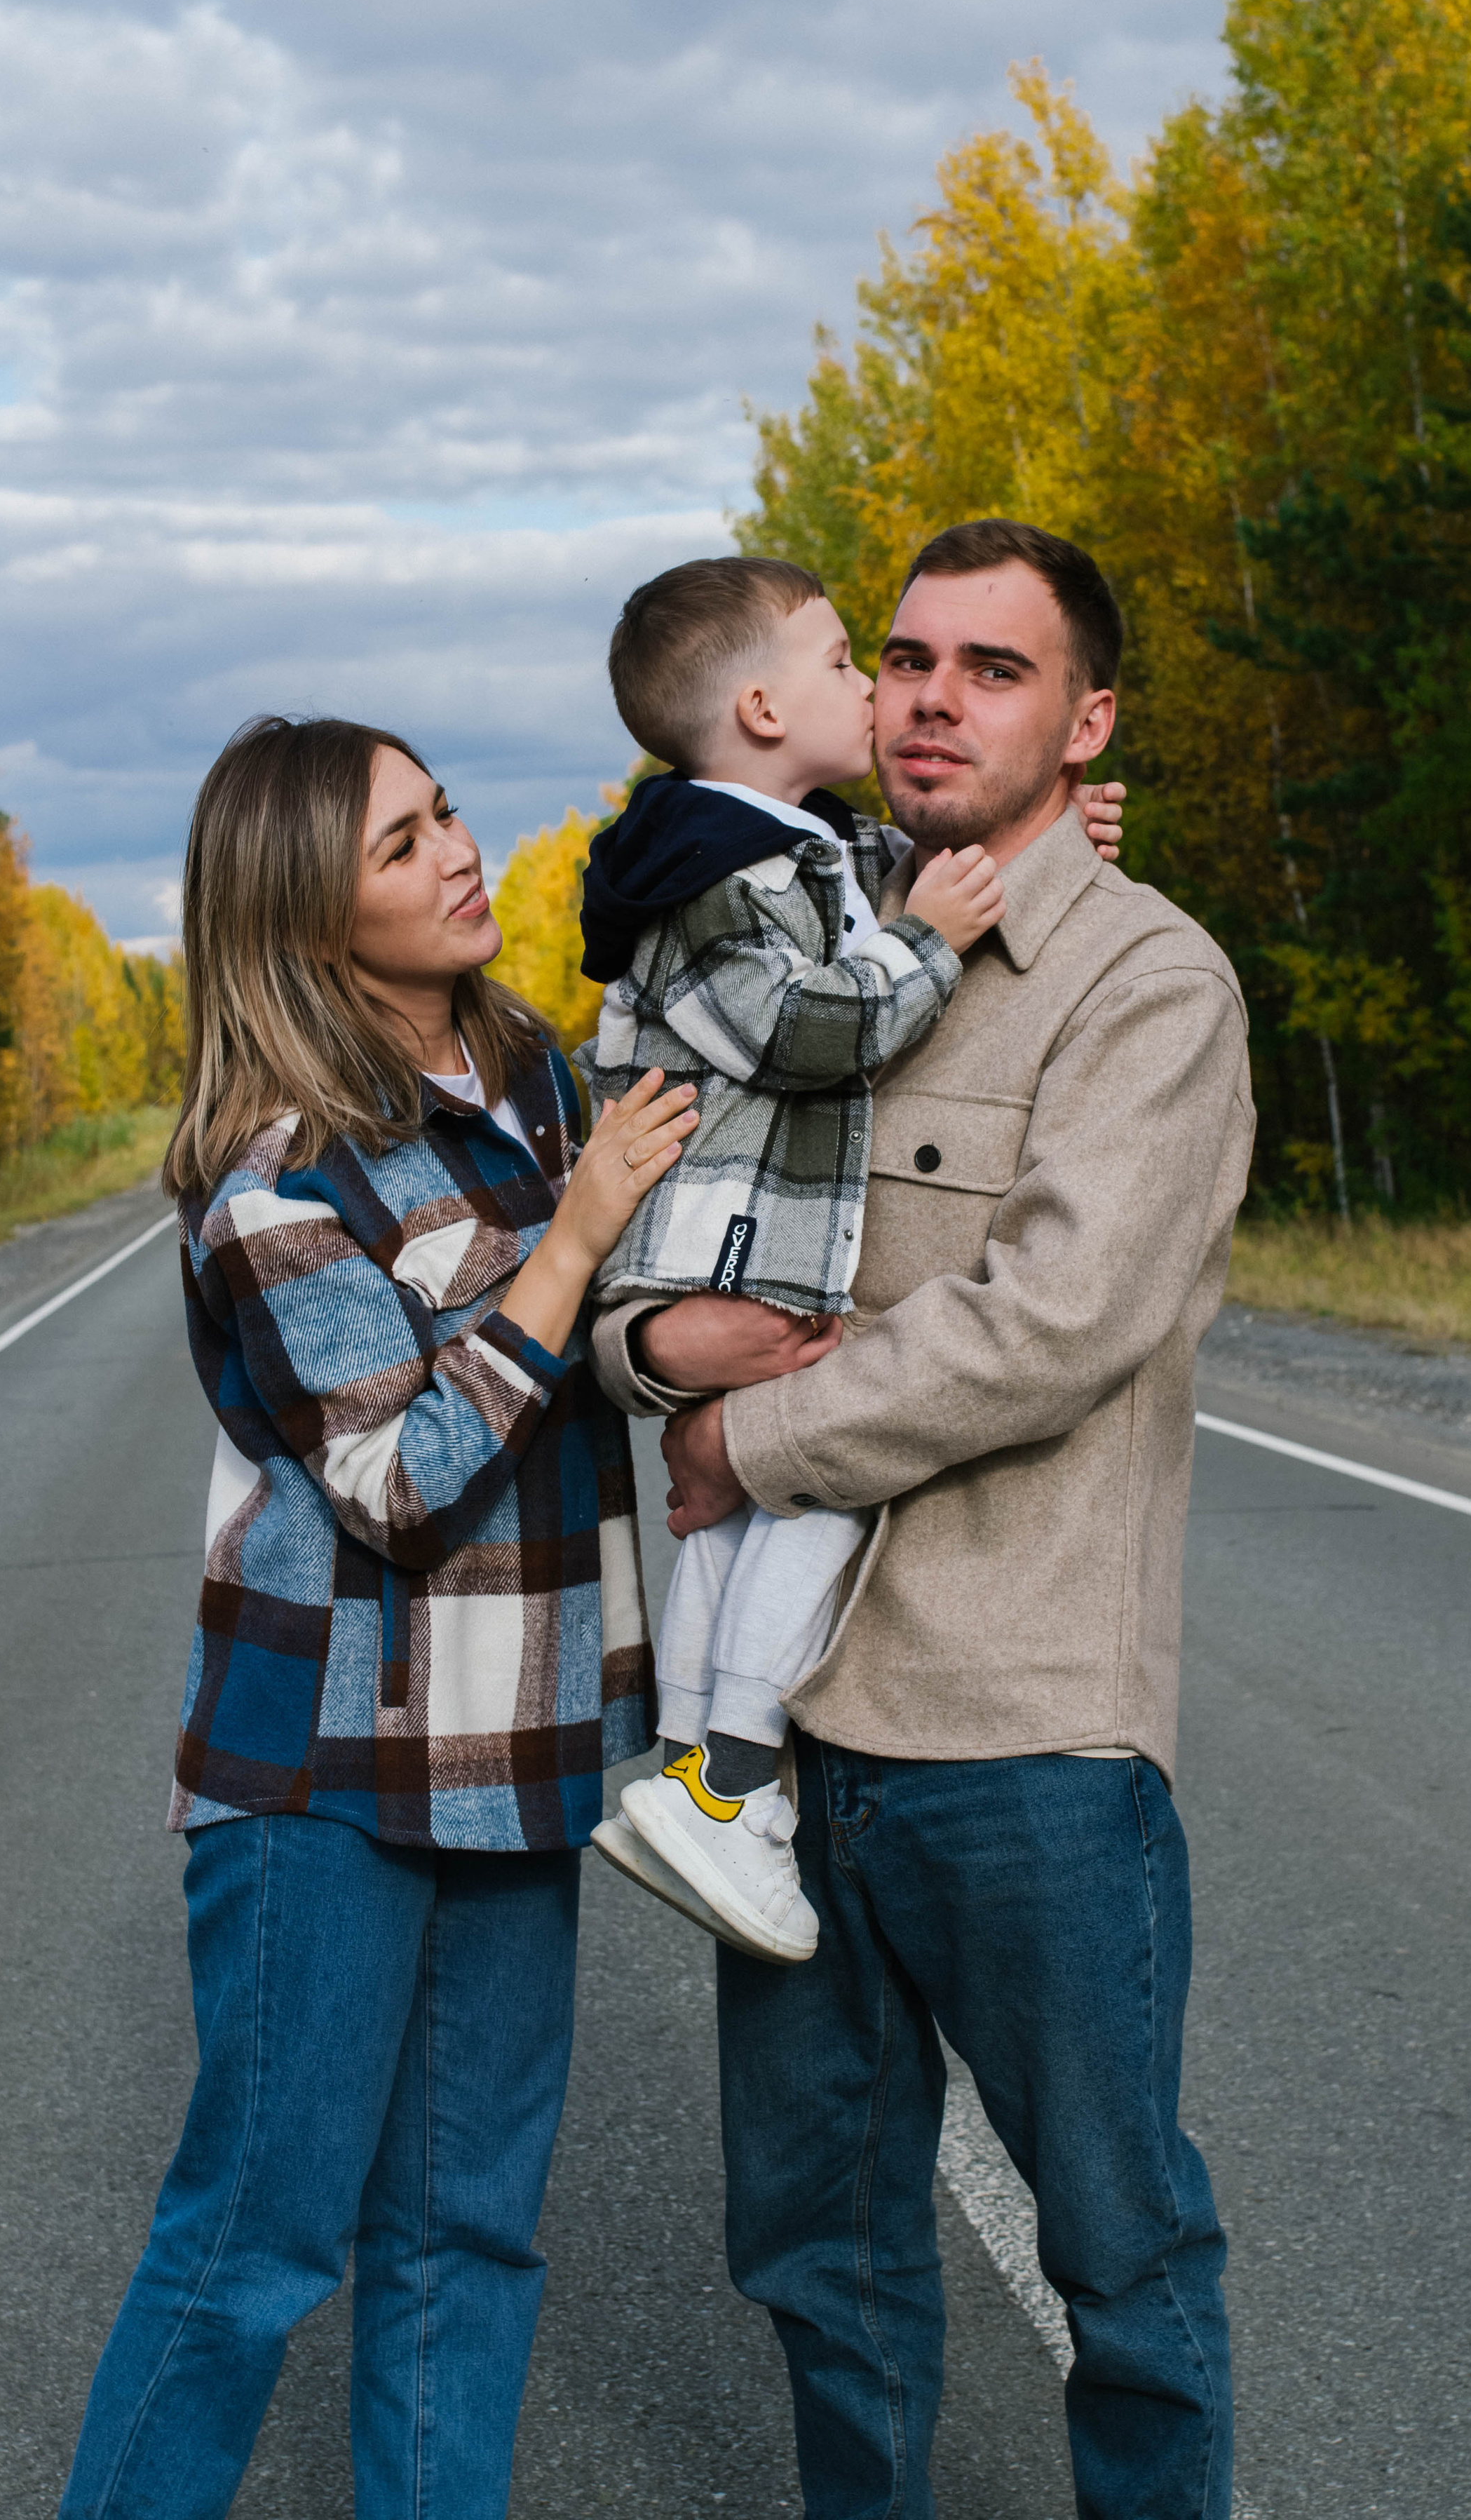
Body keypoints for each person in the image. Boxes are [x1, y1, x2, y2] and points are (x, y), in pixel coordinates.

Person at [592, 521, 1256, 2520]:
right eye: (907, 660)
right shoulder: (796, 928)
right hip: (781, 1762)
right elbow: (633, 1212)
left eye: (994, 668)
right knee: (821, 2259)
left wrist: (743, 1446)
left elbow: (1051, 1322)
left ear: (1088, 718)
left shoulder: (1148, 983)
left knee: (1121, 2260)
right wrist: (643, 1359)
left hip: (1018, 1737)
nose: (934, 699)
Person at [60, 715, 696, 2520]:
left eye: (448, 813)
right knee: (259, 2245)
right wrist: (565, 1252)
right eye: (402, 844)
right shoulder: (274, 1182)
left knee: (469, 2239)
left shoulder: (542, 1075)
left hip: (520, 1744)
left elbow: (756, 988)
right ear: (303, 918)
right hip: (322, 1776)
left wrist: (994, 883)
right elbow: (398, 1489)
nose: (458, 852)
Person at [571, 556, 1122, 1963]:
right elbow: (817, 1025)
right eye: (846, 665)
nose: (877, 695)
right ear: (760, 706)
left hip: (741, 1235)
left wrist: (1046, 848)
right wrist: (934, 939)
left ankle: (695, 1776)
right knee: (809, 1492)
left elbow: (885, 875)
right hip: (738, 1235)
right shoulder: (702, 879)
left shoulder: (783, 841)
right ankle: (734, 1784)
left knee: (727, 1504)